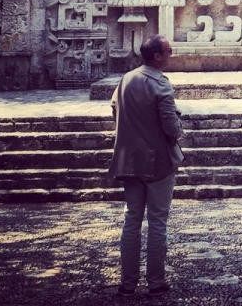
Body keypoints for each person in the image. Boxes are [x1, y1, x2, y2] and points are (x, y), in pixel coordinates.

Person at [109, 34, 184, 296]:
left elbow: (114, 108)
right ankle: (156, 282)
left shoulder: (126, 79)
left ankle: (127, 283)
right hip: (158, 163)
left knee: (132, 220)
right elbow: (171, 127)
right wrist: (178, 126)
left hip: (128, 160)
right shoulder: (160, 84)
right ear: (157, 56)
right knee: (157, 222)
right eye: (169, 51)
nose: (171, 54)